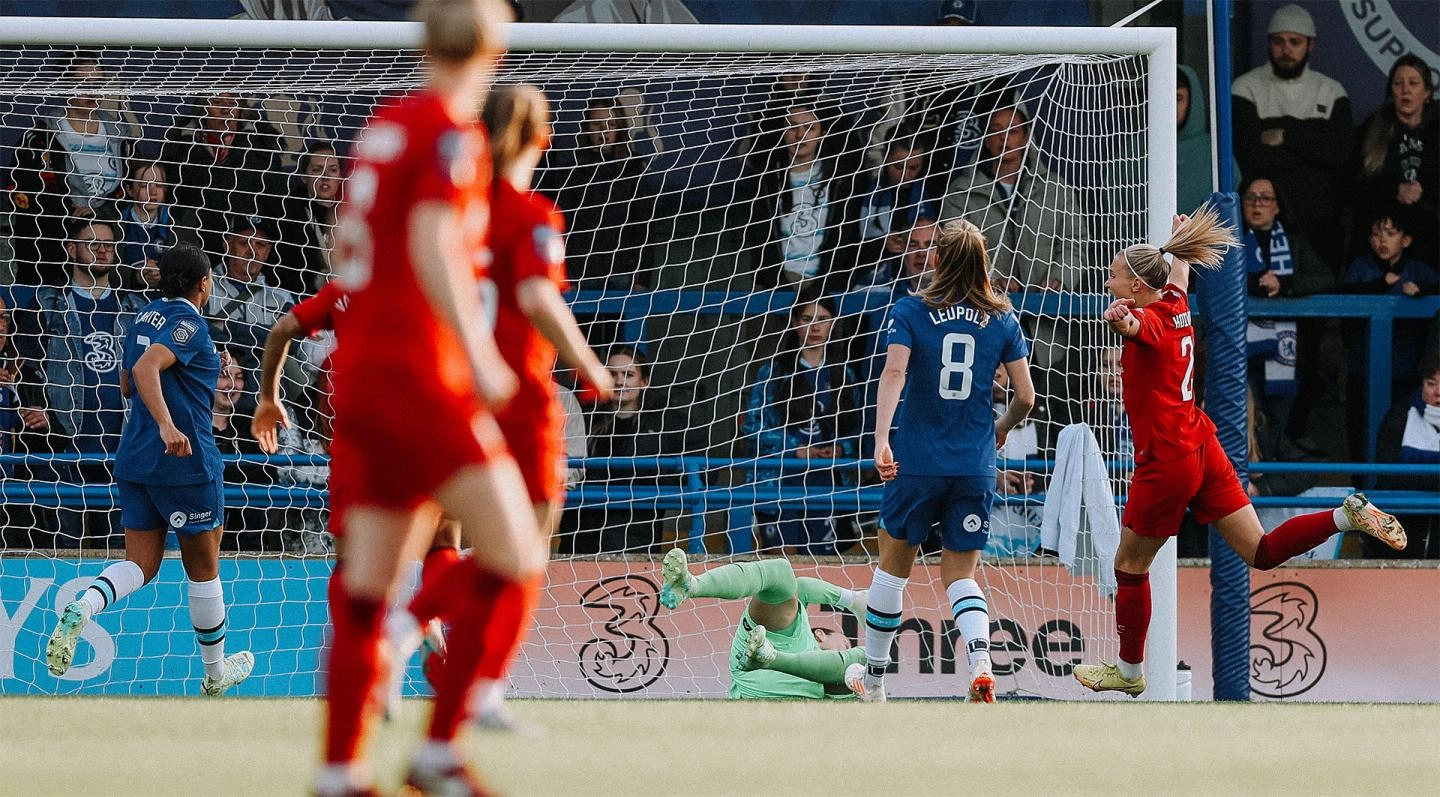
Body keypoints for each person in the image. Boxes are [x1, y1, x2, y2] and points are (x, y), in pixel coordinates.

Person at [314, 1, 545, 793]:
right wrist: (479, 355)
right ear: (495, 46)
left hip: (361, 373)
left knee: (369, 585)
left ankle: (341, 770)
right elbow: (432, 244)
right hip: (418, 373)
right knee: (516, 551)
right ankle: (439, 748)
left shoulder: (385, 124)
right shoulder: (451, 131)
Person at [1071, 207, 1407, 698]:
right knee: (1262, 552)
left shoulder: (1148, 318)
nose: (1107, 283)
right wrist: (1180, 241)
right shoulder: (1174, 299)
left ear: (1138, 287)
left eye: (1114, 276)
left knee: (1129, 566)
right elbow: (1177, 273)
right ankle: (1344, 515)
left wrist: (1121, 321)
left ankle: (1128, 670)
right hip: (1201, 443)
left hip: (1167, 457)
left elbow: (1138, 328)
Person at [382, 82, 615, 730]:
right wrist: (590, 364)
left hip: (453, 393)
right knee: (526, 550)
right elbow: (539, 298)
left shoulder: (451, 209)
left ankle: (424, 645)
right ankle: (455, 664)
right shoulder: (531, 215)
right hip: (517, 397)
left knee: (489, 547)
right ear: (543, 139)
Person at [43, 243, 254, 695]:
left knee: (141, 563)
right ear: (204, 283)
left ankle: (85, 603)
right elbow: (143, 370)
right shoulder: (190, 325)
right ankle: (216, 675)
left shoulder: (143, 316)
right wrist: (167, 423)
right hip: (184, 461)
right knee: (204, 570)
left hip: (134, 458)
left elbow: (124, 381)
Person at [854, 218, 1035, 704]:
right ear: (984, 262)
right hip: (974, 464)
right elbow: (1026, 397)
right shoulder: (1003, 318)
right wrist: (999, 430)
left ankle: (873, 681)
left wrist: (880, 440)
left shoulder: (911, 310)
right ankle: (979, 660)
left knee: (892, 569)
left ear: (937, 259)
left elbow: (894, 373)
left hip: (916, 461)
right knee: (961, 574)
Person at [13, 217, 146, 548]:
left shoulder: (135, 308)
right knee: (61, 548)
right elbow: (26, 361)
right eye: (92, 242)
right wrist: (38, 408)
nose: (102, 249)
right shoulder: (47, 303)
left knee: (117, 551)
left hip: (123, 449)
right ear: (71, 249)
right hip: (65, 448)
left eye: (108, 244)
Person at [940, 101, 1085, 367]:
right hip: (982, 322)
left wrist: (1058, 280)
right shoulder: (961, 192)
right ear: (985, 138)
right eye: (996, 130)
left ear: (1027, 136)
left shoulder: (1056, 190)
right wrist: (990, 280)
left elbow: (1075, 246)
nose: (1004, 138)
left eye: (1013, 131)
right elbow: (955, 252)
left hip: (1046, 332)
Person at [1231, 3, 1353, 275]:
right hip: (1259, 221)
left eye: (1295, 42)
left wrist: (1286, 134)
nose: (1286, 50)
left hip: (1317, 221)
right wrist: (1311, 148)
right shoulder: (1245, 88)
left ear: (1311, 45)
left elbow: (1339, 154)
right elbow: (1251, 155)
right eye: (1279, 42)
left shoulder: (1330, 91)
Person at [743, 290, 864, 555]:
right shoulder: (774, 372)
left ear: (833, 322)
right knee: (782, 563)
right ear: (795, 322)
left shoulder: (845, 374)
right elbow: (752, 426)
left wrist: (841, 448)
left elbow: (859, 430)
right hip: (781, 479)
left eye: (822, 318)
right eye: (807, 318)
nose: (815, 326)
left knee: (823, 566)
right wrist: (794, 448)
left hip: (827, 480)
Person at [658, 549, 868, 699]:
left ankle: (770, 658)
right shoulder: (797, 626)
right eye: (845, 645)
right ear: (820, 634)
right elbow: (802, 586)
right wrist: (854, 600)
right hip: (760, 658)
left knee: (869, 658)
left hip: (771, 694)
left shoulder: (837, 675)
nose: (846, 648)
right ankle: (691, 585)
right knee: (781, 571)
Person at [5, 50, 135, 288]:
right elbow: (20, 191)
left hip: (110, 248)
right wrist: (70, 212)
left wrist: (99, 216)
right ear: (65, 86)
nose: (91, 91)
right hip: (51, 252)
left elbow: (132, 189)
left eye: (98, 84)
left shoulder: (122, 136)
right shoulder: (40, 138)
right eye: (83, 83)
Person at [1238, 174, 1329, 455]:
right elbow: (1207, 278)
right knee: (1246, 418)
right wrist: (1252, 284)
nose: (1257, 204)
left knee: (1279, 423)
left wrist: (1286, 284)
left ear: (1277, 206)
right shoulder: (1231, 242)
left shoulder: (1295, 243)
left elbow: (1326, 278)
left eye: (1265, 198)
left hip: (1286, 351)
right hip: (1241, 349)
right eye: (1251, 197)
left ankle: (1272, 479)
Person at [565, 346, 675, 554]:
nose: (619, 381)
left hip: (638, 537)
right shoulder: (584, 419)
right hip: (582, 536)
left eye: (628, 374)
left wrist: (655, 479)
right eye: (612, 373)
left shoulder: (665, 423)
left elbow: (701, 471)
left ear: (644, 382)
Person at [1352, 54, 1437, 267]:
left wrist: (1424, 192)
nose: (1405, 90)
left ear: (1426, 93)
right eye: (1398, 84)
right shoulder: (1373, 128)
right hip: (1385, 238)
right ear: (1391, 91)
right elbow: (1355, 184)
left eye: (1413, 83)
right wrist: (1395, 190)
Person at [1373, 353, 1440, 559]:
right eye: (1431, 384)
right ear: (1422, 385)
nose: (1438, 393)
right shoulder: (1400, 415)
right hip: (1402, 526)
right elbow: (1387, 473)